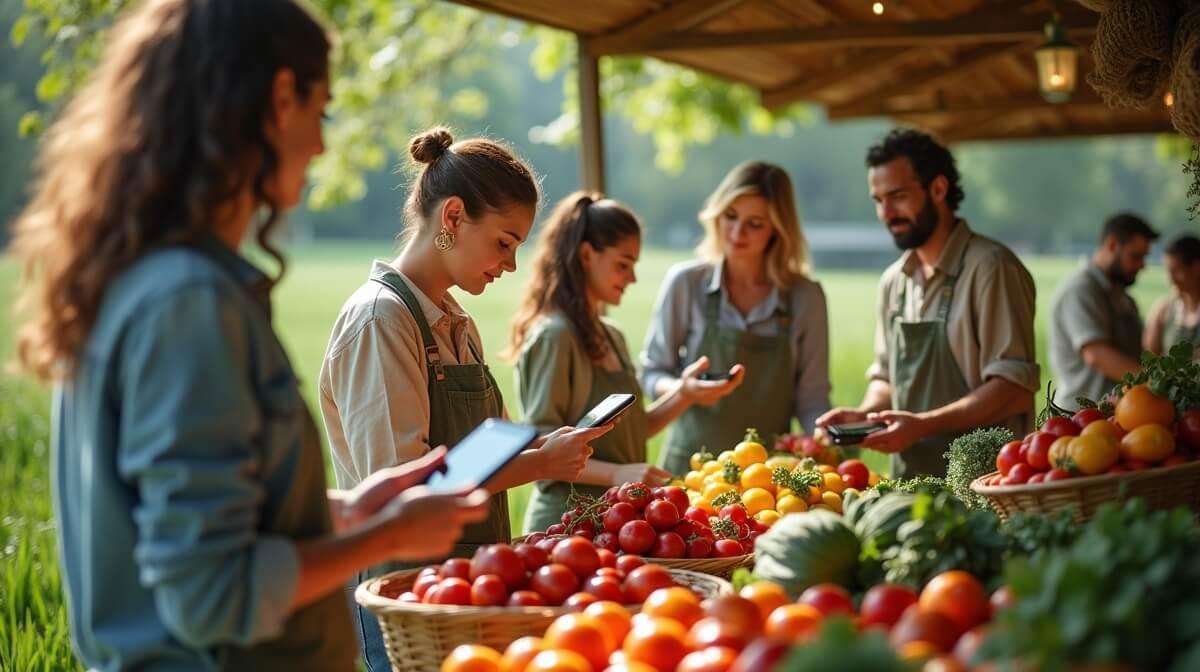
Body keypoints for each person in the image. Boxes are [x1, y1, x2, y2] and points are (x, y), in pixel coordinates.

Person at [7, 2, 491, 670]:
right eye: (320, 112)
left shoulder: (140, 279)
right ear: (278, 97)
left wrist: (345, 511)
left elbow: (192, 523)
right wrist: (387, 533)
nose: (322, 145)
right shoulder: (189, 302)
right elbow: (212, 594)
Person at [318, 128, 610, 670]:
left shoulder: (458, 324)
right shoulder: (382, 319)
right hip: (404, 597)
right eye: (504, 242)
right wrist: (539, 463)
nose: (511, 265)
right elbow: (403, 483)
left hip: (464, 588)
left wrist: (550, 443)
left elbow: (484, 450)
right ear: (452, 217)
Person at [816, 128, 1039, 478]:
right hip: (912, 488)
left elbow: (1013, 391)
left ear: (938, 189)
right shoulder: (894, 281)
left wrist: (921, 425)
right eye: (878, 200)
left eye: (898, 196)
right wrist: (865, 415)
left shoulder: (992, 268)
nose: (887, 213)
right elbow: (887, 379)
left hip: (987, 485)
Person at [509, 192, 730, 533]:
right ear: (586, 255)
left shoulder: (611, 334)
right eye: (623, 264)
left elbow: (630, 431)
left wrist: (684, 393)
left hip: (617, 525)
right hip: (565, 526)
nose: (632, 278)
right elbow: (542, 443)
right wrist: (617, 474)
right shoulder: (555, 336)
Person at [640, 161, 832, 475]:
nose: (737, 232)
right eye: (730, 216)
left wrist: (824, 448)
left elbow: (812, 399)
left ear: (778, 229)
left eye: (755, 223)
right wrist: (683, 389)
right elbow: (651, 373)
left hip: (767, 481)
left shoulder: (805, 297)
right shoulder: (686, 283)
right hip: (688, 473)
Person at [1049, 213, 1159, 408]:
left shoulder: (1123, 297)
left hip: (1118, 415)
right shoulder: (1080, 290)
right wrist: (1156, 383)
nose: (1142, 266)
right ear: (1112, 245)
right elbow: (1096, 354)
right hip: (1078, 419)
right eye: (1135, 256)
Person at [1144, 234, 1200, 358]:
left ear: (1196, 267)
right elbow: (1149, 360)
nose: (1171, 280)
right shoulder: (1163, 309)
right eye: (1168, 272)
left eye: (1177, 271)